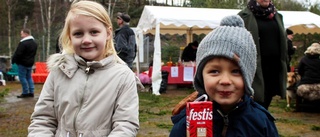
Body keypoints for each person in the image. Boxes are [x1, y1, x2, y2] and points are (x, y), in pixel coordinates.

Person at [28, 1, 139, 136]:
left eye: (94, 32)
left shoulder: (123, 76)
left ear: (108, 33)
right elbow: (42, 120)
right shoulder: (59, 71)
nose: (86, 40)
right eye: (78, 34)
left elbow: (126, 125)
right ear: (70, 36)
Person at [170, 15, 279, 137]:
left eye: (236, 71)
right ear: (201, 76)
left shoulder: (261, 123)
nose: (225, 81)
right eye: (215, 71)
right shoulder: (186, 123)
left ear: (248, 77)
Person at [238, 0, 288, 110]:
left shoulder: (277, 16)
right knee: (255, 100)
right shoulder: (243, 17)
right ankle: (255, 124)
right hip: (255, 70)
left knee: (266, 100)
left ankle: (260, 123)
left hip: (274, 69)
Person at [12, 28, 38, 98]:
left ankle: (25, 92)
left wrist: (14, 60)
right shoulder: (34, 43)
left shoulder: (23, 43)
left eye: (22, 34)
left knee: (22, 77)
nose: (21, 35)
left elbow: (18, 53)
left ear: (26, 34)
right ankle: (31, 92)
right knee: (29, 77)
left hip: (22, 63)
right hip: (30, 63)